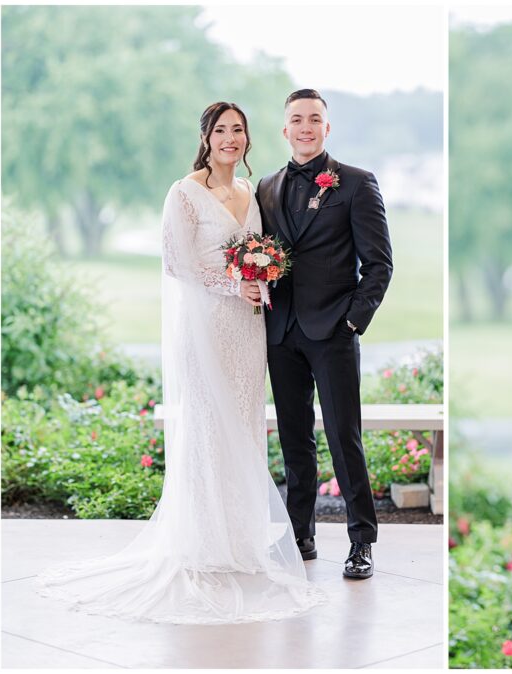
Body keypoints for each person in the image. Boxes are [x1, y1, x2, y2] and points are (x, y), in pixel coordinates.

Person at [36, 102, 325, 624]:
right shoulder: (184, 191)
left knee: (241, 422)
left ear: (248, 139)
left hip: (248, 328)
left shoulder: (250, 193)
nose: (230, 139)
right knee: (207, 425)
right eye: (221, 131)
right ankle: (204, 539)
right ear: (206, 137)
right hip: (208, 325)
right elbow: (176, 262)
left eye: (238, 130)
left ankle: (241, 537)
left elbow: (261, 253)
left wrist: (259, 282)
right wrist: (231, 284)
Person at [256, 89, 393, 580]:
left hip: (333, 330)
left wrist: (352, 321)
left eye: (315, 119)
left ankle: (361, 542)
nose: (306, 127)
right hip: (281, 331)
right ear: (285, 129)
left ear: (327, 128)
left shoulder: (357, 183)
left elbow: (379, 265)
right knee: (294, 440)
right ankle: (300, 535)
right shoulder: (266, 188)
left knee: (343, 437)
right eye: (297, 119)